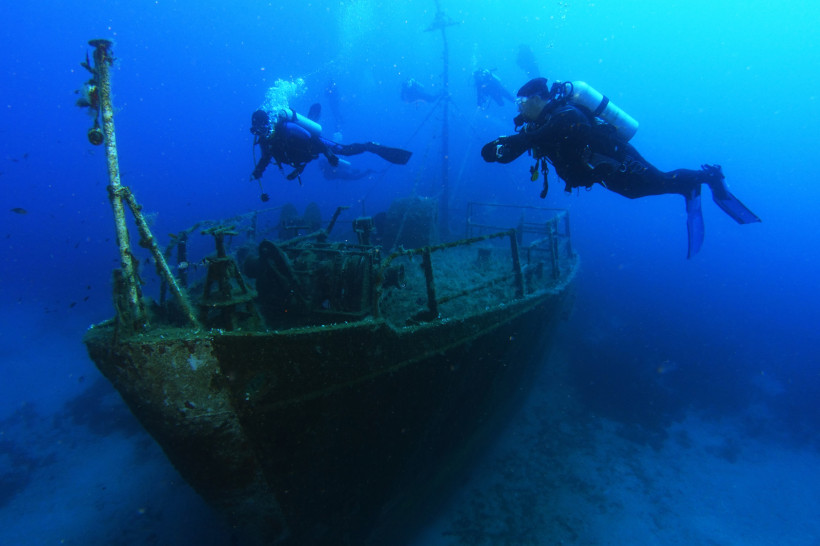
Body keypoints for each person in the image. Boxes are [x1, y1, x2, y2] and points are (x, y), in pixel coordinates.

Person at [481, 77, 760, 258]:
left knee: (659, 181)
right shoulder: (539, 124)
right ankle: (686, 186)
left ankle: (708, 177)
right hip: (603, 172)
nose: (519, 107)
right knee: (635, 193)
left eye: (522, 101)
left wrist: (524, 139)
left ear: (538, 99)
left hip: (618, 159)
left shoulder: (565, 113)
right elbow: (525, 144)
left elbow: (567, 126)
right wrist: (508, 147)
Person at [250, 106, 412, 184]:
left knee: (344, 150)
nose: (261, 134)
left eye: (262, 128)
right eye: (256, 131)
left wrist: (328, 154)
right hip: (303, 154)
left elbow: (313, 140)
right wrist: (258, 171)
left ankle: (370, 146)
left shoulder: (288, 128)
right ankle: (312, 118)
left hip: (315, 145)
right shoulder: (265, 141)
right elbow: (266, 158)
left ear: (268, 123)